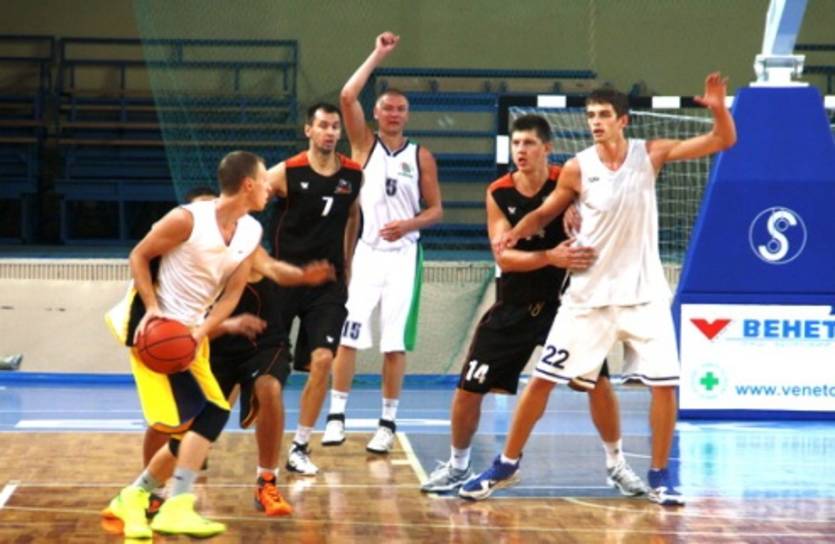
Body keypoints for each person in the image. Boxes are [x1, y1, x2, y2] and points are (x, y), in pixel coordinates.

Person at [460, 73, 736, 505]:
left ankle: (660, 475)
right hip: (588, 297)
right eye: (590, 115)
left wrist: (719, 109)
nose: (595, 122)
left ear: (623, 120)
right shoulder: (577, 167)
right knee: (542, 381)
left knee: (664, 386)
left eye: (604, 115)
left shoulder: (651, 153)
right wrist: (515, 232)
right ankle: (506, 464)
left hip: (644, 295)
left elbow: (723, 140)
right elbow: (545, 212)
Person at [421, 115, 648, 497]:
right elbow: (505, 258)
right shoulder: (498, 193)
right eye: (516, 144)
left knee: (597, 384)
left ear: (547, 148)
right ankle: (458, 466)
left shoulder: (570, 182)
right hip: (513, 305)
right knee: (469, 388)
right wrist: (549, 257)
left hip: (565, 306)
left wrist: (580, 213)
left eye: (528, 143)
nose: (521, 151)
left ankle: (617, 465)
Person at [103, 150, 270, 538]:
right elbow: (139, 255)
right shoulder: (187, 219)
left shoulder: (251, 231)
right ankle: (171, 503)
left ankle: (137, 497)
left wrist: (201, 330)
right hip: (156, 333)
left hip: (190, 334)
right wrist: (152, 308)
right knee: (191, 420)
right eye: (264, 182)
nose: (269, 189)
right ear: (248, 185)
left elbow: (232, 293)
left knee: (211, 414)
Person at [324, 31, 443, 454]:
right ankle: (336, 417)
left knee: (394, 343)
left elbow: (436, 210)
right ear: (375, 112)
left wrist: (409, 223)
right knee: (349, 336)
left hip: (403, 257)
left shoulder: (420, 156)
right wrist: (377, 54)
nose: (394, 114)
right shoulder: (363, 144)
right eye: (387, 107)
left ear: (408, 115)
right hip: (368, 255)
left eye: (400, 109)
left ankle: (387, 423)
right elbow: (346, 95)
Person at [266, 102, 363, 475]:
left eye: (335, 126)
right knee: (262, 366)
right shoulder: (286, 172)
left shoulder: (353, 174)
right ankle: (203, 434)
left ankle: (300, 446)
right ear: (308, 130)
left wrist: (347, 263)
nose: (330, 132)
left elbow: (352, 215)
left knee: (323, 359)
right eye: (322, 125)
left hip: (326, 284)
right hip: (285, 280)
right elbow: (249, 201)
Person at [210, 248, 335, 516]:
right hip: (215, 344)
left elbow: (274, 268)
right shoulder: (190, 257)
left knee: (269, 388)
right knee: (184, 420)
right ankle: (152, 489)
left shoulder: (243, 243)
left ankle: (266, 481)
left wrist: (302, 275)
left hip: (263, 341)